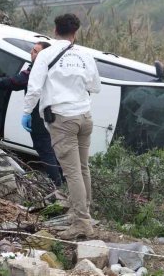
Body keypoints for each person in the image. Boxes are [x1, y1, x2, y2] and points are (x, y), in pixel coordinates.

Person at [23, 13, 101, 239]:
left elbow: (34, 88)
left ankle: (82, 223)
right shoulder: (85, 55)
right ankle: (84, 211)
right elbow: (95, 86)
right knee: (83, 168)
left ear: (55, 31)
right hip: (84, 117)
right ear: (75, 33)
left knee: (72, 172)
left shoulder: (46, 55)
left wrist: (27, 112)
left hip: (63, 119)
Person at [0, 41, 63, 186]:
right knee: (54, 150)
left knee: (45, 150)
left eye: (35, 51)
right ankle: (63, 181)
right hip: (53, 116)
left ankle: (57, 184)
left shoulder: (37, 71)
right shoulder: (53, 69)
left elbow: (14, 82)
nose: (31, 53)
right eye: (32, 50)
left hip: (40, 117)